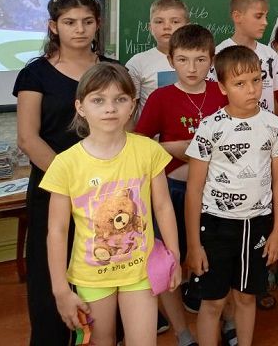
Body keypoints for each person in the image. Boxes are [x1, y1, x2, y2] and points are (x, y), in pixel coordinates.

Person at [41, 63, 180, 346]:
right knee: (101, 340)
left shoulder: (148, 150)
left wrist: (174, 256)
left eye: (120, 99)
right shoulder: (66, 163)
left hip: (140, 271)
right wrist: (60, 290)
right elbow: (57, 230)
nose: (110, 108)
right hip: (91, 276)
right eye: (98, 100)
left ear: (132, 106)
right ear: (80, 107)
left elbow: (163, 207)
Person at [14, 0, 112, 346]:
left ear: (97, 24)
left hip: (106, 195)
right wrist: (74, 182)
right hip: (54, 191)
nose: (79, 29)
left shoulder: (112, 70)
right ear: (53, 27)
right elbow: (28, 139)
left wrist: (101, 183)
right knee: (49, 284)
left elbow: (124, 131)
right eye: (70, 22)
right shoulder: (35, 74)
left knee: (103, 280)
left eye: (87, 22)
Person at [185, 46, 278, 346]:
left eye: (256, 80)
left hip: (257, 224)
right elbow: (194, 189)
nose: (251, 89)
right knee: (213, 302)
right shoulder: (210, 127)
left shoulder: (272, 125)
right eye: (240, 83)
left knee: (246, 298)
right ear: (222, 87)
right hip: (216, 225)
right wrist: (193, 244)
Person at [135, 24, 227, 346]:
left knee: (216, 259)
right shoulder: (161, 97)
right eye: (183, 60)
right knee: (169, 262)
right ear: (171, 60)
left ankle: (226, 319)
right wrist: (174, 147)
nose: (192, 68)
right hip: (173, 191)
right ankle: (183, 333)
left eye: (200, 60)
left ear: (211, 60)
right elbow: (139, 144)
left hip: (216, 192)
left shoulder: (221, 92)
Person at [213, 0, 278, 114]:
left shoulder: (270, 54)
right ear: (237, 16)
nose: (265, 22)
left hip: (265, 122)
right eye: (258, 16)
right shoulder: (218, 54)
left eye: (266, 17)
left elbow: (273, 98)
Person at [125, 0, 189, 116]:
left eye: (175, 22)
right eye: (159, 22)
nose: (167, 27)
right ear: (150, 28)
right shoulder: (138, 62)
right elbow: (129, 111)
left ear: (187, 26)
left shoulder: (203, 60)